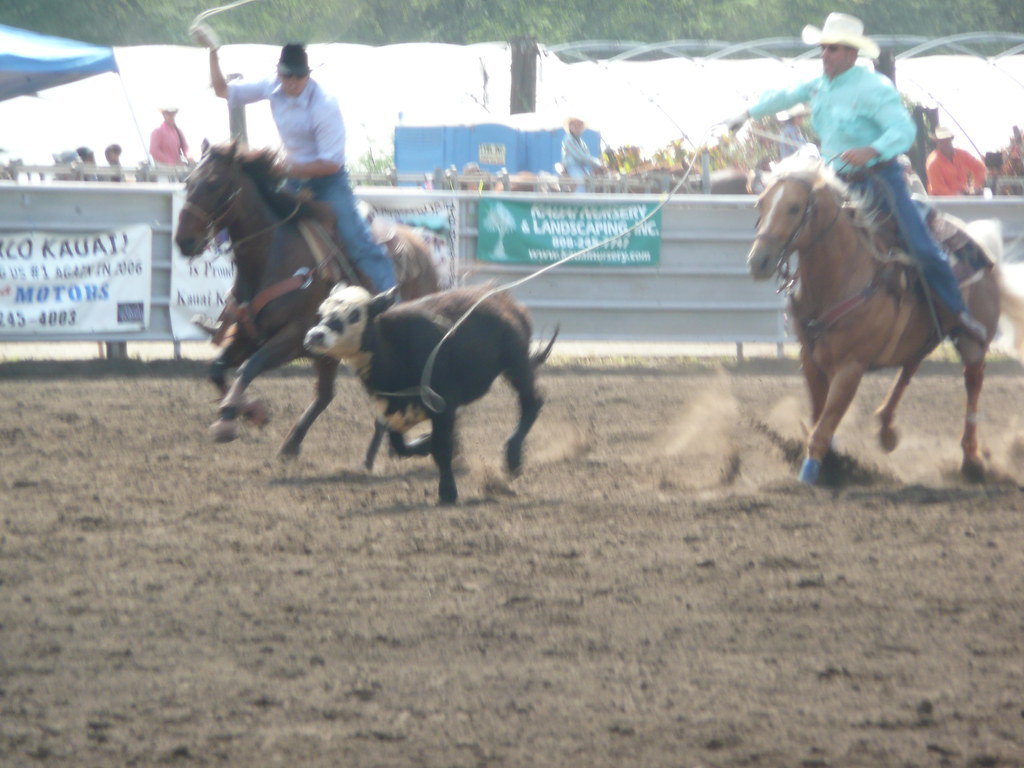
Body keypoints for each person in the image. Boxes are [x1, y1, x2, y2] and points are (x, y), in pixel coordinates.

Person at [725, 12, 987, 347]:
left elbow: (904, 130)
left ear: (851, 53)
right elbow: (785, 95)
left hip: (879, 180)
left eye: (832, 49)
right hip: (835, 181)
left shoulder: (874, 88)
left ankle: (959, 317)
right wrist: (746, 114)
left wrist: (872, 149)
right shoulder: (819, 86)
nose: (825, 54)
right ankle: (815, 316)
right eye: (823, 48)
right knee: (805, 234)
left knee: (921, 247)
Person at [193, 30, 396, 293]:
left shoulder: (324, 105)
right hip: (290, 177)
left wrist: (286, 168)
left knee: (357, 239)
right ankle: (249, 301)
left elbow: (331, 165)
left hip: (328, 183)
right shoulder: (270, 86)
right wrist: (213, 53)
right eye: (287, 74)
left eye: (298, 75)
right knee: (257, 225)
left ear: (308, 75)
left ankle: (391, 301)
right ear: (279, 72)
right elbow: (222, 90)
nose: (291, 81)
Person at [925, 126, 987, 196]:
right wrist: (958, 196)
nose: (945, 143)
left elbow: (980, 167)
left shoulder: (962, 154)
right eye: (941, 140)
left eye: (947, 139)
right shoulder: (933, 163)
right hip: (941, 201)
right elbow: (939, 188)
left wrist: (975, 186)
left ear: (952, 139)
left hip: (962, 196)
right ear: (937, 142)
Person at [561, 116, 603, 192]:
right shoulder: (568, 139)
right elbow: (580, 156)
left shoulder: (582, 142)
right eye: (574, 125)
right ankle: (579, 201)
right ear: (570, 127)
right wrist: (597, 162)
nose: (577, 127)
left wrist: (597, 163)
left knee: (592, 180)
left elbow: (587, 155)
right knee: (580, 181)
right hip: (572, 166)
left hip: (582, 167)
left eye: (580, 125)